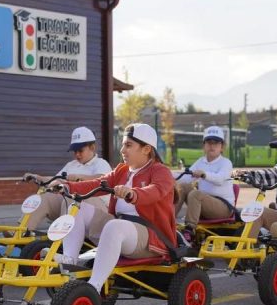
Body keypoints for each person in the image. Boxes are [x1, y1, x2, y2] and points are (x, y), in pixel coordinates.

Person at [55, 123, 176, 294]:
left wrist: (134, 193)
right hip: (120, 229)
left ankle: (93, 287)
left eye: (128, 145)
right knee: (76, 205)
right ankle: (70, 259)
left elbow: (156, 191)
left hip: (150, 237)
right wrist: (66, 186)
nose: (122, 150)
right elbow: (97, 183)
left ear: (147, 149)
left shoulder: (160, 171)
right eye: (123, 144)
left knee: (114, 226)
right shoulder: (122, 171)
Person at [23, 127, 111, 232]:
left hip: (98, 210)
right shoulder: (71, 165)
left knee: (72, 195)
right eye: (75, 151)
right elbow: (55, 180)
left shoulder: (101, 163)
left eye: (80, 150)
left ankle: (61, 235)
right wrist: (37, 177)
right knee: (45, 197)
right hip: (72, 205)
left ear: (92, 147)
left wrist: (79, 177)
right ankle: (23, 230)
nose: (77, 154)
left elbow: (102, 179)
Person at [174, 126, 234, 244]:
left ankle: (189, 230)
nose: (212, 146)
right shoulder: (201, 161)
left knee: (195, 193)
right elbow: (185, 177)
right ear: (204, 146)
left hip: (223, 207)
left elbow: (220, 179)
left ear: (222, 147)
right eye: (209, 142)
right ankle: (167, 222)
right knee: (183, 187)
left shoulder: (226, 163)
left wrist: (204, 174)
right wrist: (165, 174)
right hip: (203, 203)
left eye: (216, 143)